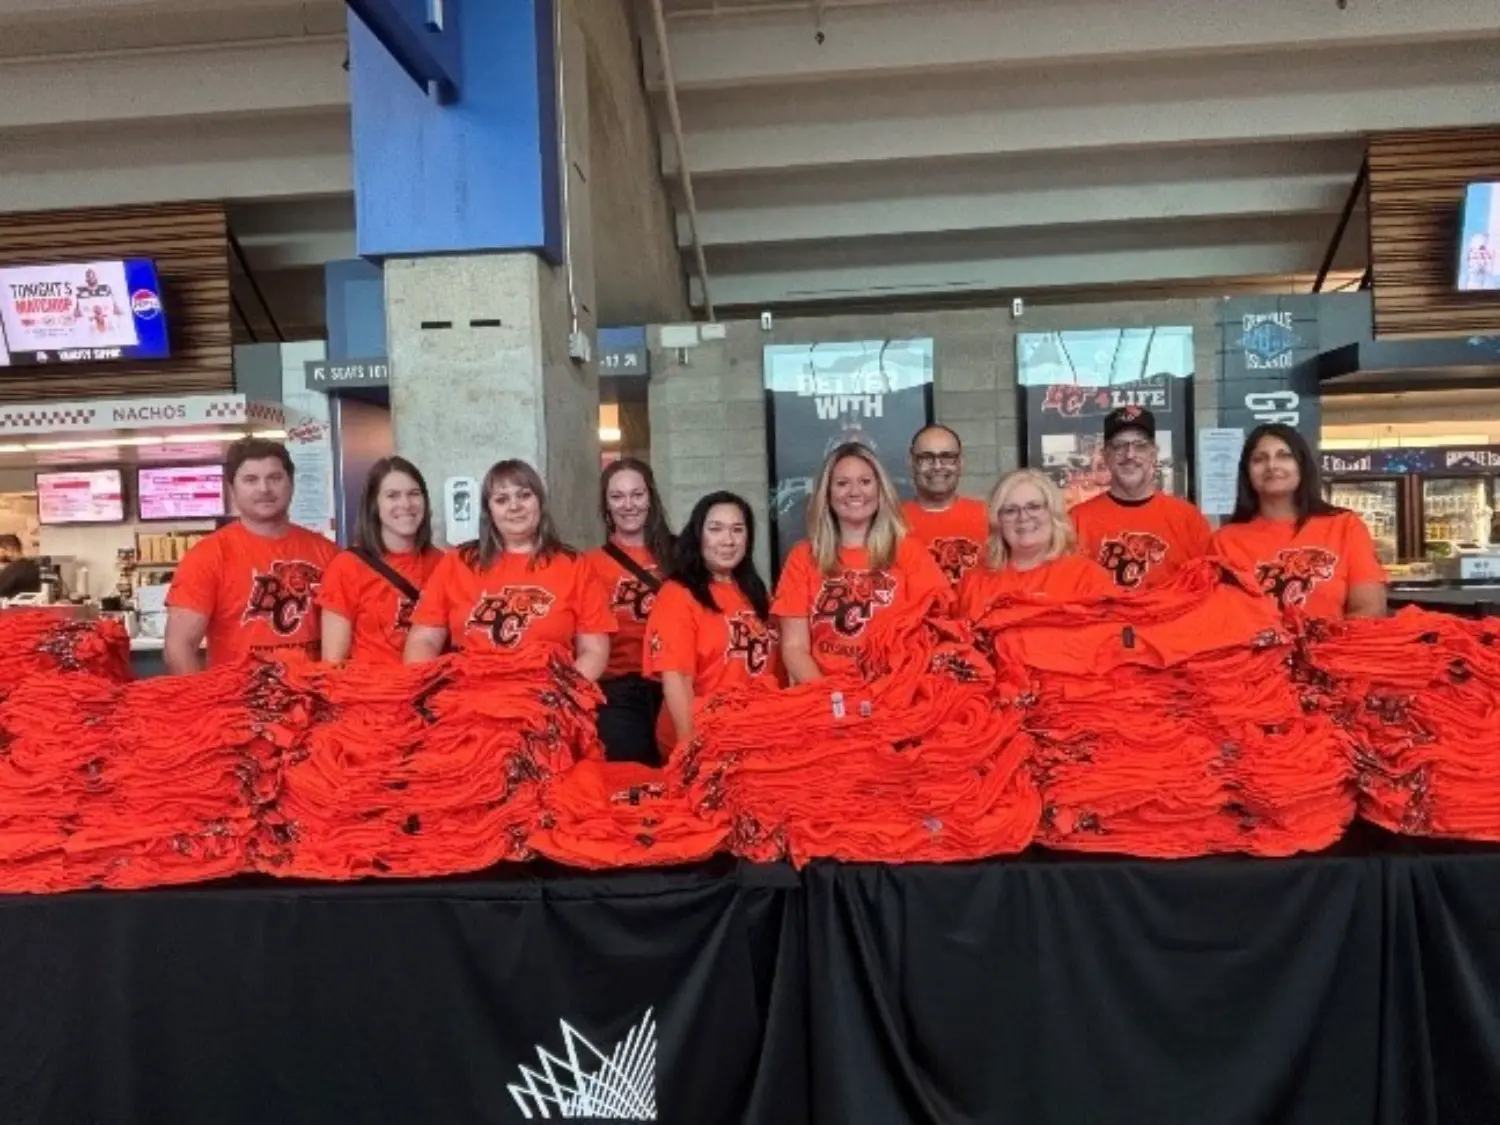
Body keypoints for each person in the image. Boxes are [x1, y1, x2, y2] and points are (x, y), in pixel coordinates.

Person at [404, 459, 615, 675]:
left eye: (524, 495)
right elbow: (424, 639)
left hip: (548, 695)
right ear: (489, 511)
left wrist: (564, 695)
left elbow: (594, 650)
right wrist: (425, 689)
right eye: (502, 499)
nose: (515, 506)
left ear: (540, 502)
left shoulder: (574, 565)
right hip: (468, 695)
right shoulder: (456, 562)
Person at [773, 441, 949, 682]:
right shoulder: (802, 557)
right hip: (827, 697)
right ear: (827, 493)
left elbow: (933, 633)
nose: (855, 492)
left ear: (880, 489)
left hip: (895, 693)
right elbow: (794, 648)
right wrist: (831, 700)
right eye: (842, 483)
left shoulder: (909, 551)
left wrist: (893, 692)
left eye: (865, 482)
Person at [165, 437, 338, 673]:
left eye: (274, 478)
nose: (264, 489)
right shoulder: (206, 556)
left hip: (313, 702)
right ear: (232, 488)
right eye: (250, 479)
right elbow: (178, 648)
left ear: (292, 483)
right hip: (238, 705)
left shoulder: (328, 553)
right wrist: (208, 707)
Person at [644, 491, 780, 751]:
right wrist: (691, 751)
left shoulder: (755, 592)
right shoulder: (677, 594)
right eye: (715, 529)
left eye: (737, 529)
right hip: (701, 740)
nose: (728, 540)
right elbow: (677, 680)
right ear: (698, 535)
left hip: (753, 738)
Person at [1210, 423, 1387, 619]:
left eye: (1284, 456)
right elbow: (1218, 620)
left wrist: (1321, 648)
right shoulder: (1224, 541)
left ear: (1302, 465)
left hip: (1332, 649)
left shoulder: (1345, 526)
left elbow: (1370, 610)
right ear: (1247, 473)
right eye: (1259, 459)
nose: (1272, 465)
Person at [585, 459, 674, 764]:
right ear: (605, 505)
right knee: (629, 784)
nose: (628, 505)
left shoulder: (681, 555)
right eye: (617, 496)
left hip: (675, 682)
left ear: (651, 498)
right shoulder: (589, 565)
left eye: (637, 494)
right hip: (618, 690)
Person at [1070, 406, 1212, 591]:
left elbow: (1207, 591)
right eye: (1119, 446)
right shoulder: (1077, 521)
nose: (1130, 455)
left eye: (1140, 446)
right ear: (1106, 455)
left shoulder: (1188, 519)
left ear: (1153, 454)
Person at [318, 457, 444, 664]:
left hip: (427, 689)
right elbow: (333, 662)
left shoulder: (443, 563)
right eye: (392, 496)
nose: (405, 504)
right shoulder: (347, 567)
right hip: (369, 692)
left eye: (414, 494)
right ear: (374, 504)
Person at [956, 469, 1115, 620]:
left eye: (1034, 507)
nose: (1023, 517)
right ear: (998, 522)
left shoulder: (1088, 578)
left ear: (1053, 513)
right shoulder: (973, 582)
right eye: (1010, 510)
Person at [901, 424, 991, 586]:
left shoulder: (990, 517)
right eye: (926, 457)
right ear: (911, 462)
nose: (937, 466)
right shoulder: (890, 521)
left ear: (960, 463)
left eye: (947, 457)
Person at [0, 535, 41, 600]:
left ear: (9, 549)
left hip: (12, 608)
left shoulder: (11, 571)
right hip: (34, 608)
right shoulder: (36, 567)